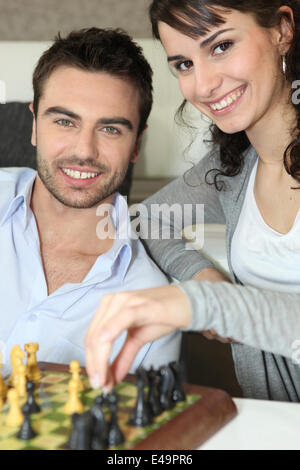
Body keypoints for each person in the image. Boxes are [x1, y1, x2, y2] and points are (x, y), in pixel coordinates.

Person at [85, 1, 300, 402]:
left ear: (282, 31)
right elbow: (145, 220)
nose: (202, 86)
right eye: (183, 64)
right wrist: (201, 275)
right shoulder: (232, 168)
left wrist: (210, 303)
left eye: (221, 47)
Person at [0, 27, 181, 377]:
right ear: (35, 124)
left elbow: (148, 428)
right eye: (65, 121)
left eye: (110, 129)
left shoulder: (151, 302)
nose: (84, 151)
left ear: (137, 144)